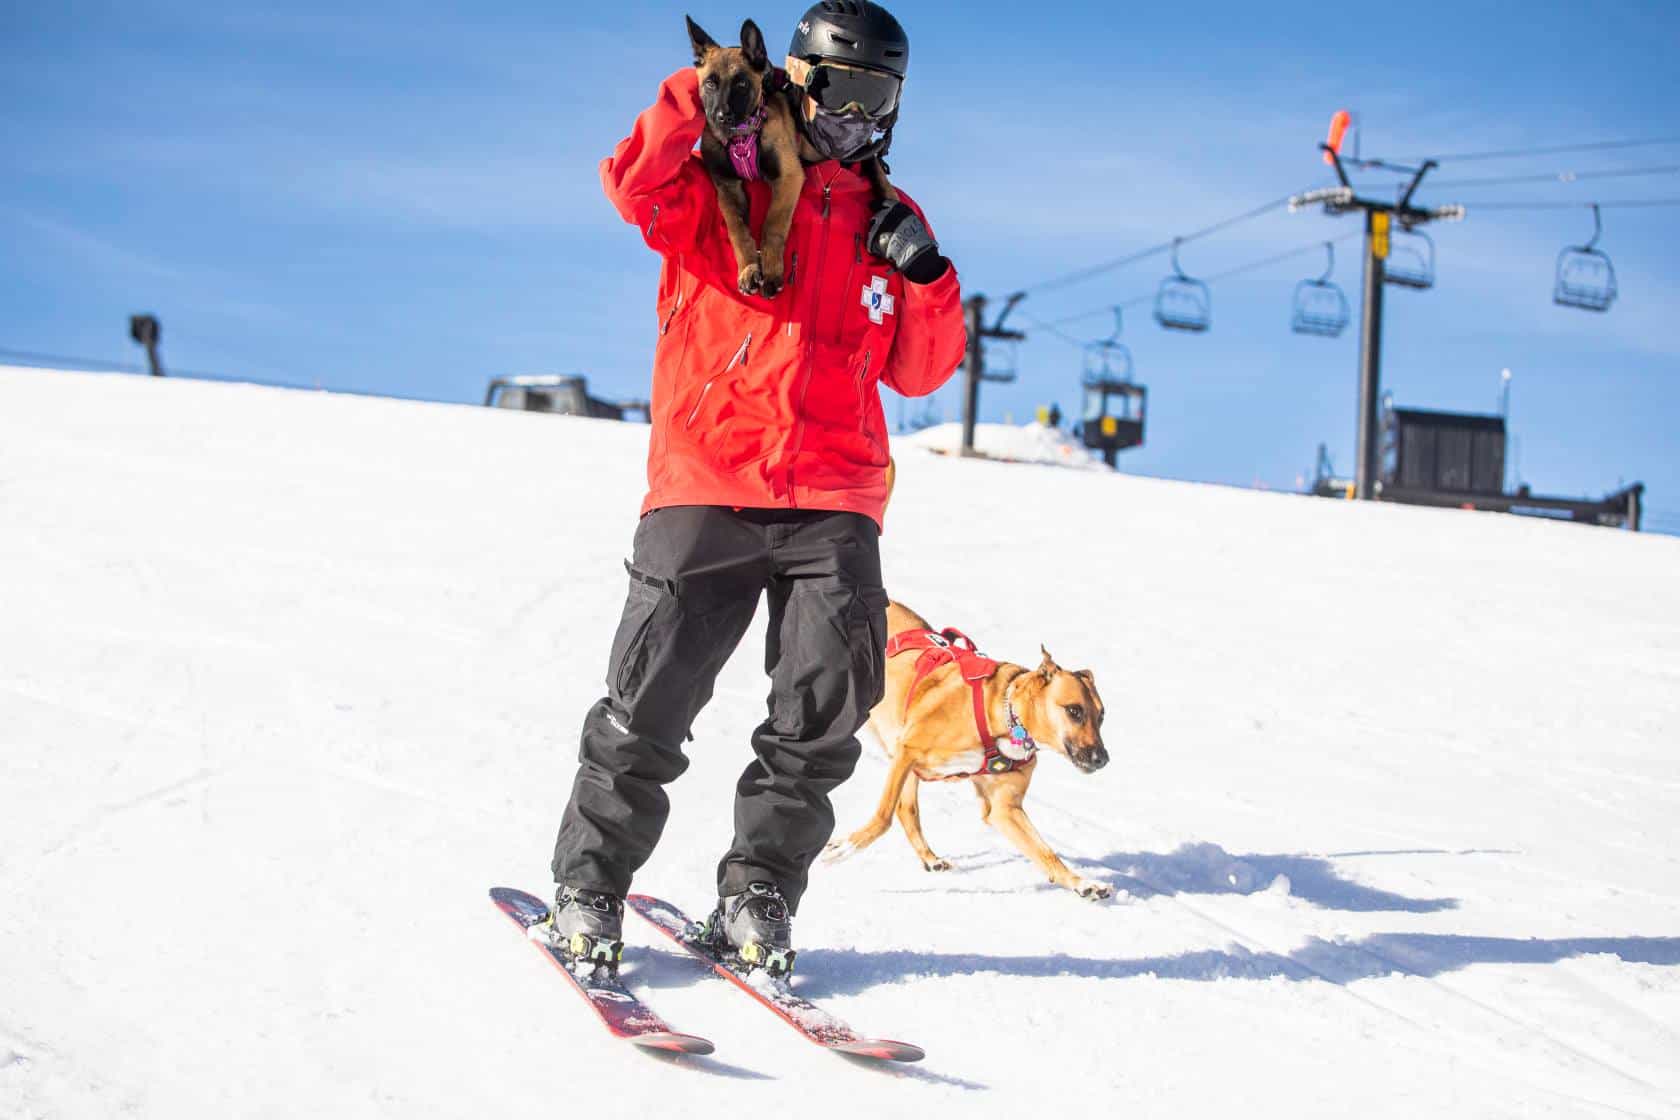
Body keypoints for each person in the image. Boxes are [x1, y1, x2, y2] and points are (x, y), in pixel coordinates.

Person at [546, 0, 965, 975]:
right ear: (796, 79)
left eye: (877, 97)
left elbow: (920, 370)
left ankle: (758, 898)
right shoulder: (717, 181)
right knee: (650, 699)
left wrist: (928, 275)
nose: (854, 116)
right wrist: (702, 97)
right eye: (838, 89)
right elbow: (628, 182)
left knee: (820, 717)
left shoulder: (889, 220)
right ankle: (589, 887)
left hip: (836, 497)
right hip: (711, 474)